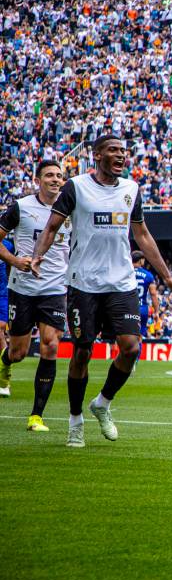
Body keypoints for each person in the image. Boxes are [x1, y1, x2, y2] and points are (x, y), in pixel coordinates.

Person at [32, 135, 172, 448]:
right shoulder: (75, 187)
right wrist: (37, 256)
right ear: (98, 155)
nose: (121, 155)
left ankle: (102, 402)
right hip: (84, 283)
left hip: (122, 282)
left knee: (131, 348)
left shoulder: (131, 190)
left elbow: (142, 235)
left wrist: (167, 277)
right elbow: (51, 227)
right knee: (82, 352)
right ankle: (75, 421)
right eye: (114, 150)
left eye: (123, 151)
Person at [0, 160, 71, 429]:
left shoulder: (71, 210)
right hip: (23, 288)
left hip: (55, 288)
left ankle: (36, 415)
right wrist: (15, 261)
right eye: (49, 175)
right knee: (18, 351)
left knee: (50, 345)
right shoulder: (21, 208)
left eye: (59, 176)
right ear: (37, 180)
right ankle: (5, 363)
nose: (55, 179)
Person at [133, 251, 160, 339]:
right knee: (139, 337)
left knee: (125, 336)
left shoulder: (124, 273)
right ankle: (138, 352)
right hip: (142, 308)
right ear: (141, 261)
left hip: (128, 307)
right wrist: (156, 312)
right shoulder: (148, 275)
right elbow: (153, 294)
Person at [0, 235, 13, 398]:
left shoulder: (8, 246)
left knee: (1, 328)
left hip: (2, 293)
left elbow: (12, 267)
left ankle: (4, 374)